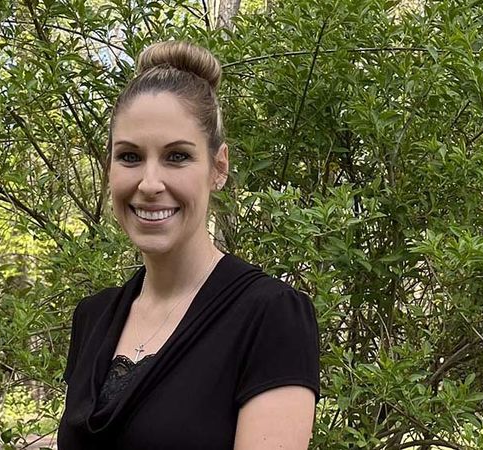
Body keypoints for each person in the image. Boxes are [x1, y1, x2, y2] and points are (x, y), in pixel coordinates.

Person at [57, 40, 320, 450]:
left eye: (176, 157)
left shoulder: (270, 316)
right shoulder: (93, 317)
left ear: (218, 168)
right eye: (129, 157)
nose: (149, 183)